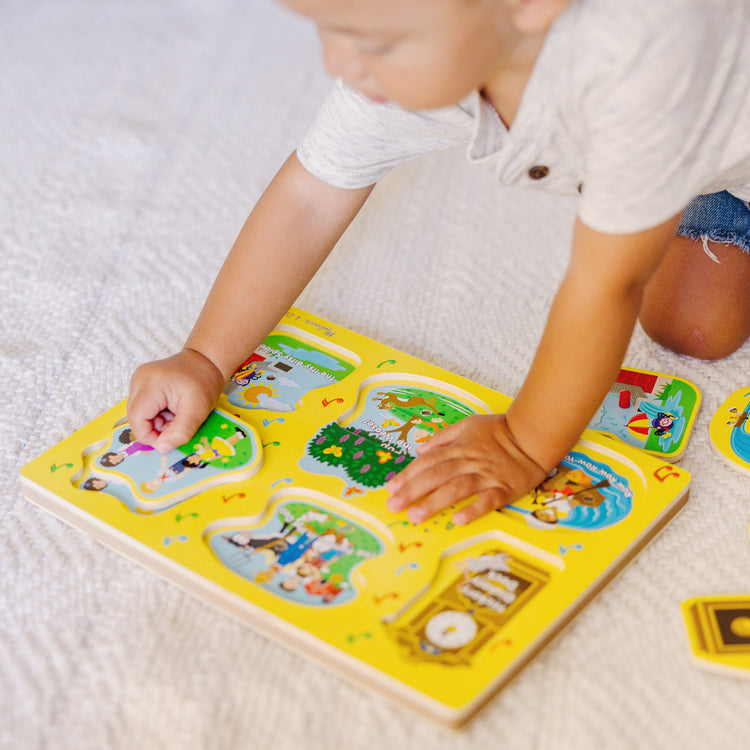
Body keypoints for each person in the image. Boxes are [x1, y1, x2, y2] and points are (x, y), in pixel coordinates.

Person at [127, 0, 750, 526]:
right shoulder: (403, 58)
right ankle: (667, 187)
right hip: (688, 138)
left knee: (674, 300)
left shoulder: (637, 72)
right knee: (694, 326)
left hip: (694, 108)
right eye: (329, 31)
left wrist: (522, 443)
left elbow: (606, 283)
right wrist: (206, 358)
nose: (338, 65)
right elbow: (311, 194)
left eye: (380, 42)